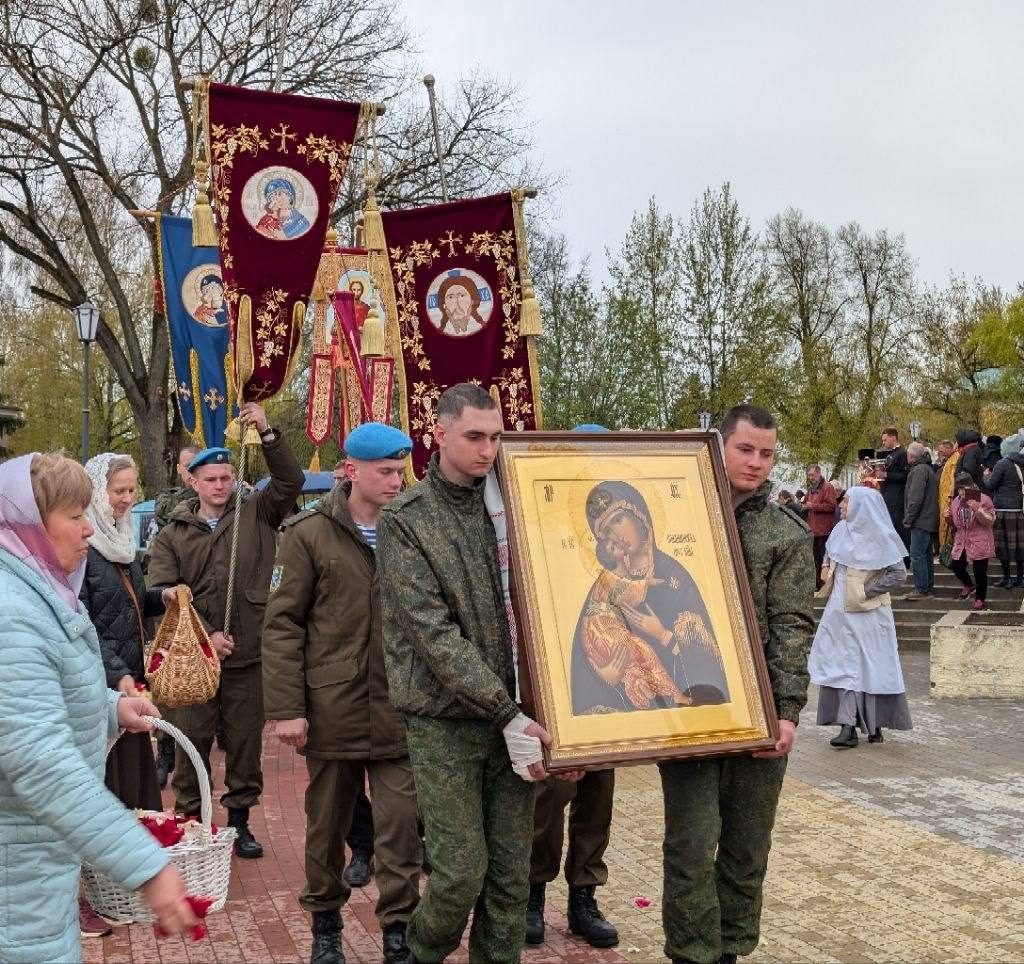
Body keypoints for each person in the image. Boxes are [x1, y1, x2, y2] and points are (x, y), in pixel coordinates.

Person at [378, 383, 577, 964]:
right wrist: (506, 710)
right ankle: (421, 953)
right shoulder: (408, 521)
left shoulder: (516, 507)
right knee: (460, 871)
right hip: (446, 722)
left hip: (516, 718)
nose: (488, 450)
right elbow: (432, 634)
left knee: (511, 877)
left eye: (495, 437)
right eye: (474, 437)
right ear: (438, 433)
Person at [0, 452, 198, 961]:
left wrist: (112, 708)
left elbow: (40, 693)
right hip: (16, 867)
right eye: (74, 516)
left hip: (35, 862)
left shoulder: (38, 588)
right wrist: (148, 867)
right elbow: (41, 764)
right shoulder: (12, 614)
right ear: (31, 525)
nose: (89, 529)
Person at [660, 404, 815, 964]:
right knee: (691, 845)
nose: (756, 462)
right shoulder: (680, 517)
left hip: (759, 709)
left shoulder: (785, 532)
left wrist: (787, 710)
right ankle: (690, 952)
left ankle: (730, 949)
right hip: (689, 708)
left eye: (767, 453)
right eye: (745, 449)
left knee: (747, 846)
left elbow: (793, 623)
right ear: (719, 445)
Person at [263, 423, 421, 964]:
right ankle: (325, 925)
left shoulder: (411, 528)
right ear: (352, 471)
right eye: (385, 471)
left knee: (401, 827)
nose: (396, 481)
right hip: (332, 708)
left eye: (400, 470)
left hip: (401, 709)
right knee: (326, 826)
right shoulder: (308, 533)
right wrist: (287, 709)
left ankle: (399, 927)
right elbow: (283, 623)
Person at [148, 402, 304, 858]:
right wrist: (205, 636)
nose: (219, 485)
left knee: (243, 744)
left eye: (225, 477)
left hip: (247, 653)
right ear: (193, 483)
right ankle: (196, 822)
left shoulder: (255, 512)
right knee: (190, 742)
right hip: (195, 663)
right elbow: (159, 590)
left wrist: (268, 434)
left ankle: (239, 823)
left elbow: (291, 482)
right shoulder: (173, 533)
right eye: (210, 479)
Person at [80, 453, 190, 811]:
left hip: (130, 680)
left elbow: (130, 603)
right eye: (118, 491)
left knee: (134, 782)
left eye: (131, 489)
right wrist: (119, 674)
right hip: (106, 688)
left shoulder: (120, 541)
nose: (127, 498)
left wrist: (163, 597)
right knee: (113, 783)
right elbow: (83, 625)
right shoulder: (84, 549)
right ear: (98, 492)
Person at [571, 481, 728, 712]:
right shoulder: (605, 584)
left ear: (639, 514)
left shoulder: (675, 577)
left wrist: (665, 636)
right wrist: (604, 673)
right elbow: (585, 651)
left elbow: (707, 662)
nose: (617, 534)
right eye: (607, 532)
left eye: (618, 520)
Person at [810, 487, 912, 749]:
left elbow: (898, 574)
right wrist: (825, 565)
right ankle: (848, 726)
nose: (841, 505)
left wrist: (866, 591)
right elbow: (832, 553)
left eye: (846, 501)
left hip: (869, 616)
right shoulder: (840, 530)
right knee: (842, 666)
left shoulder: (881, 536)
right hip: (839, 613)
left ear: (861, 506)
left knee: (868, 667)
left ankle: (872, 723)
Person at [947, 471, 996, 611]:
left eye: (963, 489)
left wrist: (978, 509)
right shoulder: (956, 501)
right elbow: (956, 523)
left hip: (980, 539)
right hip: (962, 539)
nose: (961, 492)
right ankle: (968, 584)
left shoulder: (983, 499)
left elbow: (990, 521)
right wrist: (948, 518)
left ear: (970, 487)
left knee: (980, 571)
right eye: (959, 489)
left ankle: (980, 599)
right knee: (956, 565)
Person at [982, 434, 1024, 589]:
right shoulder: (1022, 462)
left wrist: (986, 476)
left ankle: (1007, 577)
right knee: (1020, 546)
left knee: (1002, 546)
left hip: (1003, 509)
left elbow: (991, 485)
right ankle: (1020, 578)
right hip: (1020, 509)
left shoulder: (1002, 463)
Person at [902, 442, 938, 600]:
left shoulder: (918, 471)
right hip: (928, 519)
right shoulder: (927, 469)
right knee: (926, 555)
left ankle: (922, 589)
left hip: (921, 520)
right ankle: (927, 587)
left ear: (911, 456)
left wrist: (909, 518)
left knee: (917, 555)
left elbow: (915, 498)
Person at [803, 465, 838, 588]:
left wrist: (813, 506)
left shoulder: (827, 487)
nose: (810, 478)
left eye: (812, 475)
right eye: (809, 475)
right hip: (813, 530)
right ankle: (817, 583)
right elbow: (806, 503)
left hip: (824, 530)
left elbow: (832, 506)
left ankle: (826, 584)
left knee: (824, 560)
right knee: (815, 559)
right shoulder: (811, 488)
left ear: (818, 473)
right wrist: (803, 505)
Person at [877, 427, 910, 553]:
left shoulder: (902, 453)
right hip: (887, 495)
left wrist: (886, 475)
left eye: (885, 440)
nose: (883, 443)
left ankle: (904, 556)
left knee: (897, 527)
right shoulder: (889, 454)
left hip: (897, 497)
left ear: (893, 437)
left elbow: (905, 475)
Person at [154, 443, 200, 531]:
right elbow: (165, 512)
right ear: (178, 469)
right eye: (188, 466)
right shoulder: (166, 496)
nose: (193, 470)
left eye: (198, 465)